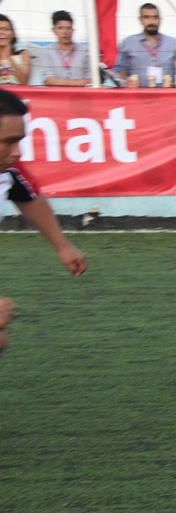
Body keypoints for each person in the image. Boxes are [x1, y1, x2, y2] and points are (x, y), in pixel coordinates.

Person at [0, 88, 88, 351]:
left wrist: (62, 245)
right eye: (9, 142)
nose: (17, 152)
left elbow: (29, 197)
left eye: (20, 141)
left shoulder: (9, 169)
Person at [115, 3, 176, 87]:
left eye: (155, 17)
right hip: (137, 93)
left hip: (166, 93)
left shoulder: (174, 44)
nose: (152, 22)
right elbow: (120, 70)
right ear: (140, 20)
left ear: (159, 20)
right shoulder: (128, 43)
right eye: (146, 17)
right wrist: (126, 82)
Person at [38, 11, 91, 87]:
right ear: (54, 30)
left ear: (73, 31)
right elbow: (48, 80)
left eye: (69, 28)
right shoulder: (47, 51)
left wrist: (57, 82)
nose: (65, 32)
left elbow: (90, 80)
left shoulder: (84, 51)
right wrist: (79, 82)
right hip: (56, 94)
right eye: (60, 28)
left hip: (81, 93)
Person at [0, 14, 31, 86]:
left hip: (16, 92)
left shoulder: (23, 55)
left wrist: (9, 59)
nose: (2, 33)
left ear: (13, 34)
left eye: (6, 29)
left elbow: (24, 82)